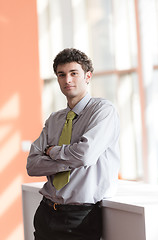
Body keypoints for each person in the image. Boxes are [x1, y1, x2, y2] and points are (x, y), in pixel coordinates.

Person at [27, 48, 120, 240]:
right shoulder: (54, 119)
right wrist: (71, 159)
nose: (67, 80)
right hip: (46, 211)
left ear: (88, 76)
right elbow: (32, 165)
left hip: (79, 217)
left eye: (73, 73)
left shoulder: (103, 111)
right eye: (61, 75)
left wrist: (51, 151)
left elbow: (85, 155)